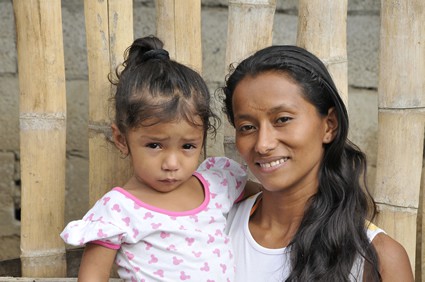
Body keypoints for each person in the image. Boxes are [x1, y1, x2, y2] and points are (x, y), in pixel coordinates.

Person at [60, 35, 251, 281]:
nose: (171, 163)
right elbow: (92, 277)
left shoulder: (217, 185)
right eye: (154, 145)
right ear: (121, 139)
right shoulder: (117, 211)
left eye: (188, 146)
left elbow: (271, 199)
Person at [221, 45, 414, 281]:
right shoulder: (213, 226)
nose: (263, 144)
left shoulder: (377, 259)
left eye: (282, 119)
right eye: (247, 127)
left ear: (329, 125)